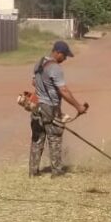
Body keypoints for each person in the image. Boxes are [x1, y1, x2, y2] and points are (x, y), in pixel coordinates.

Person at [29, 40, 88, 177]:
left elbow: (33, 82)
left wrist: (43, 90)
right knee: (54, 138)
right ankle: (57, 172)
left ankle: (33, 172)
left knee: (37, 139)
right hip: (50, 108)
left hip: (36, 106)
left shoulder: (40, 62)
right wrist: (78, 107)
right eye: (65, 55)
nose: (65, 59)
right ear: (58, 53)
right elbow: (64, 90)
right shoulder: (55, 68)